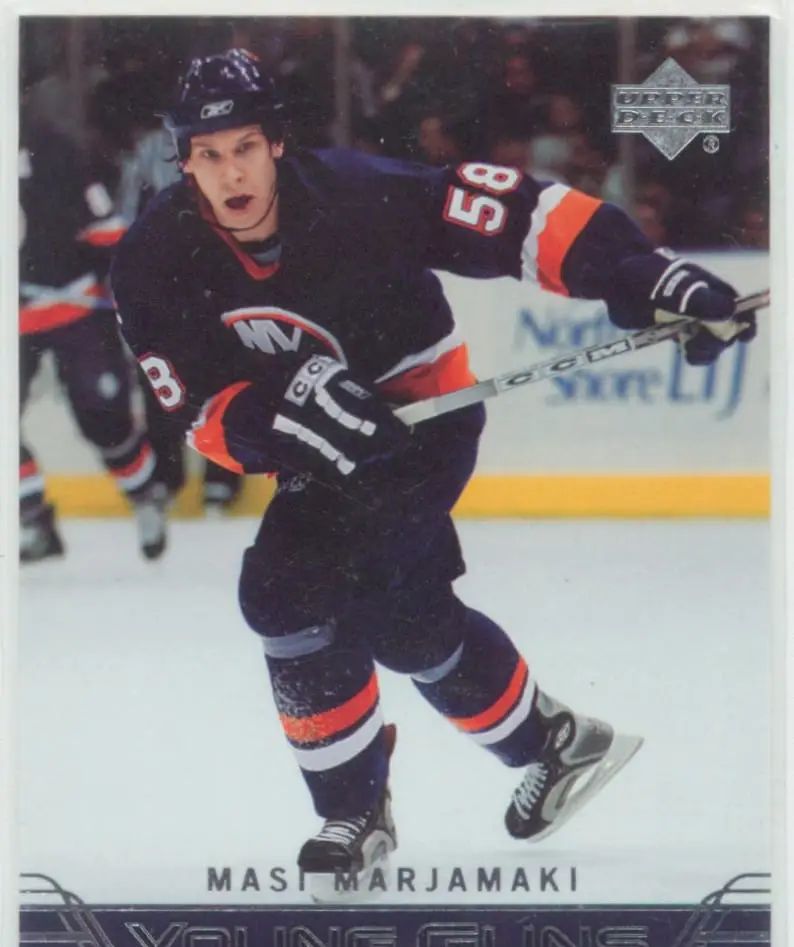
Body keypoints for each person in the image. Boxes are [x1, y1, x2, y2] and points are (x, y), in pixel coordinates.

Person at [111, 49, 756, 884]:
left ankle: (355, 811)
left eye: (244, 148)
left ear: (275, 143)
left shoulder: (356, 194)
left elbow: (520, 217)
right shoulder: (153, 256)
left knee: (300, 588)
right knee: (389, 617)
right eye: (208, 154)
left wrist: (646, 271)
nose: (230, 173)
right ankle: (550, 746)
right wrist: (281, 417)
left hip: (422, 422)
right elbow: (195, 406)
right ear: (183, 161)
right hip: (314, 443)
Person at [19, 117, 168, 562]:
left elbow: (105, 228)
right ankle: (32, 519)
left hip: (75, 306)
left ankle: (144, 494)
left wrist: (123, 286)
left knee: (103, 417)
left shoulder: (51, 146)